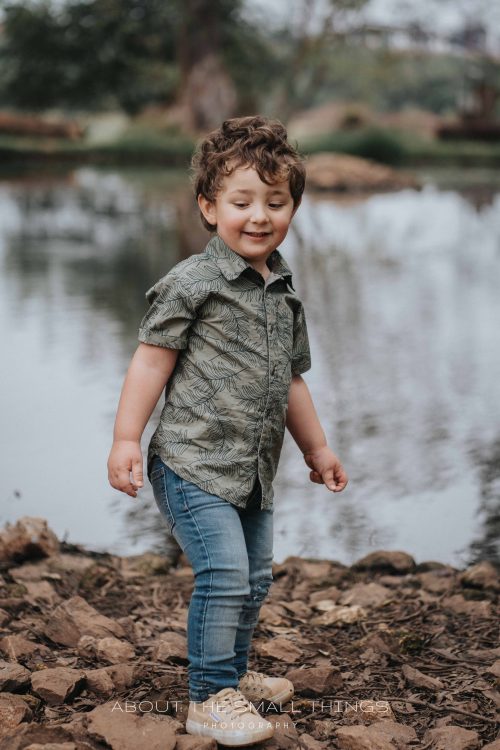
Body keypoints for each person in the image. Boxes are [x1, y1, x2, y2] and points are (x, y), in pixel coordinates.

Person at [107, 115, 348, 747]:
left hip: (251, 471)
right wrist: (126, 439)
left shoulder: (284, 293)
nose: (259, 216)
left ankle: (233, 675)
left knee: (256, 579)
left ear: (293, 208)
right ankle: (210, 697)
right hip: (191, 463)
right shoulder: (193, 282)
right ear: (209, 207)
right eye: (242, 202)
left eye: (276, 202)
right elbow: (150, 361)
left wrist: (318, 448)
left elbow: (292, 381)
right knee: (224, 575)